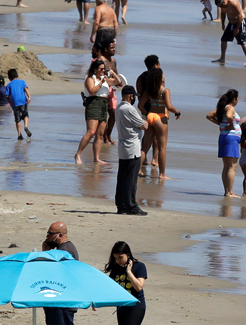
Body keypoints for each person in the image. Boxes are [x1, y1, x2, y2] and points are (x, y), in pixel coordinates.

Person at [76, 59, 117, 165]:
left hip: (103, 104)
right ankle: (78, 154)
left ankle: (96, 158)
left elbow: (118, 82)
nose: (103, 71)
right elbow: (92, 91)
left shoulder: (105, 79)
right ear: (95, 69)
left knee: (100, 134)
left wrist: (113, 73)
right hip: (93, 103)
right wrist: (101, 83)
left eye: (104, 69)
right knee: (91, 132)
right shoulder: (90, 79)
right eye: (101, 69)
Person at [115, 85, 148, 216]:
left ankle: (121, 205)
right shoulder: (129, 109)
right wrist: (145, 122)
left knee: (122, 178)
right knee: (131, 180)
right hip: (132, 147)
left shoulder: (119, 107)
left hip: (123, 147)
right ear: (130, 96)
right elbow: (142, 125)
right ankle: (131, 205)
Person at [40, 222, 79, 325]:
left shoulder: (64, 252)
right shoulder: (63, 250)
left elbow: (54, 274)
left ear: (60, 234)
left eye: (50, 234)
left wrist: (45, 254)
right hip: (60, 302)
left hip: (61, 303)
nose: (47, 237)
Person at [207, 89, 241, 197]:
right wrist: (230, 125)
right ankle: (230, 191)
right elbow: (229, 116)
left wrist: (220, 124)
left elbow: (209, 116)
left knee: (226, 166)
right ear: (234, 99)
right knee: (232, 167)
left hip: (224, 137)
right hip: (231, 138)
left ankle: (227, 191)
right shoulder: (230, 107)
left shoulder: (222, 108)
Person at [105, 242, 147, 325]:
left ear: (128, 254)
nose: (118, 261)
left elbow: (139, 287)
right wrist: (96, 302)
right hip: (122, 306)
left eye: (120, 257)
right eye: (116, 258)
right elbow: (108, 287)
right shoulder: (116, 269)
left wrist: (129, 272)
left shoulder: (139, 266)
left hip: (136, 307)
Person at [5, 68, 31, 140]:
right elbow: (26, 89)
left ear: (9, 78)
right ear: (18, 75)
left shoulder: (9, 85)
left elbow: (6, 95)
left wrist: (10, 102)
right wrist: (29, 97)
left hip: (15, 103)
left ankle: (19, 135)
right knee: (25, 115)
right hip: (23, 101)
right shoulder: (22, 82)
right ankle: (26, 127)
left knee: (17, 119)